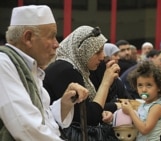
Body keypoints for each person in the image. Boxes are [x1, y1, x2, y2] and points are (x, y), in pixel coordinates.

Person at [0, 5, 89, 140]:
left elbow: (44, 119)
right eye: (51, 37)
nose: (57, 44)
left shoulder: (31, 69)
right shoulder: (3, 64)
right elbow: (27, 127)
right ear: (28, 38)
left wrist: (64, 104)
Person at [43, 26, 120, 139]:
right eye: (97, 52)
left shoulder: (77, 68)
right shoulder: (66, 70)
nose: (102, 57)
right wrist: (106, 82)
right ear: (82, 51)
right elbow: (91, 117)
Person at [121, 61, 161, 141]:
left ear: (159, 87)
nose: (144, 89)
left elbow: (145, 130)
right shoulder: (143, 105)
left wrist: (130, 111)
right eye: (140, 85)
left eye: (149, 85)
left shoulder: (156, 106)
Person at [89, 43, 132, 112]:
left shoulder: (115, 77)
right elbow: (92, 108)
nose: (118, 57)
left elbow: (127, 98)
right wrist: (115, 105)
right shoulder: (91, 76)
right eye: (115, 55)